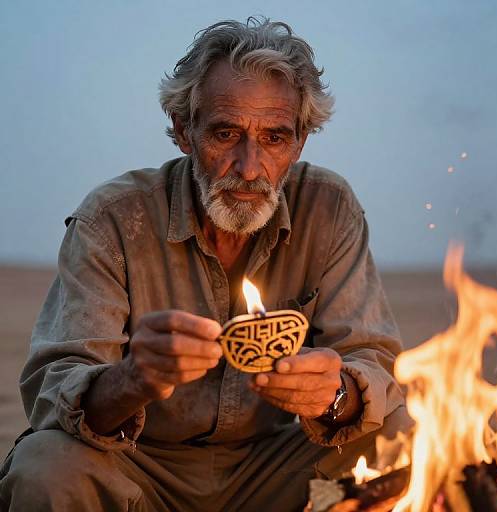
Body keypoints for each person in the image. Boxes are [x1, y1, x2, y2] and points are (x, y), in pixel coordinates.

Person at [0, 17, 410, 512]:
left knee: (402, 436)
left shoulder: (329, 208)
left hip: (276, 471)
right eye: (226, 132)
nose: (249, 166)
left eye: (275, 138)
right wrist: (133, 378)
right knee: (45, 466)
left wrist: (334, 395)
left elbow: (373, 361)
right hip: (137, 469)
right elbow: (53, 389)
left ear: (300, 142)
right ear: (183, 130)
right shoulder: (112, 219)